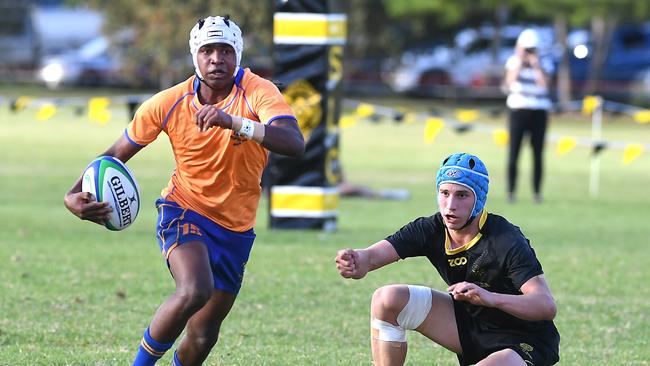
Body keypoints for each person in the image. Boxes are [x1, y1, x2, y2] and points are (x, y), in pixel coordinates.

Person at [63, 15, 304, 366]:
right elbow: (114, 156)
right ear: (195, 56)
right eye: (208, 51)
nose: (216, 59)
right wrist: (72, 195)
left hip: (236, 227)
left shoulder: (258, 91)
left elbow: (294, 143)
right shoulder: (168, 102)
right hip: (184, 209)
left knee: (204, 334)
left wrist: (234, 122)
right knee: (194, 290)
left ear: (238, 54)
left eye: (225, 50)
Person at [335, 152, 560, 366]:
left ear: (479, 199)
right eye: (444, 193)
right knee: (387, 299)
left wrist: (490, 298)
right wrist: (358, 260)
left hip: (522, 339)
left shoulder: (506, 239)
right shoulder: (431, 228)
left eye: (462, 195)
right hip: (468, 326)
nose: (450, 205)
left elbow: (545, 305)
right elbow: (372, 257)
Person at [502, 28, 554, 203]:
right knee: (514, 152)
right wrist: (520, 60)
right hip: (518, 111)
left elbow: (544, 85)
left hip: (539, 111)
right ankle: (511, 191)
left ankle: (537, 192)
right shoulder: (513, 61)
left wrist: (536, 64)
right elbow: (509, 83)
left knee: (537, 153)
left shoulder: (544, 63)